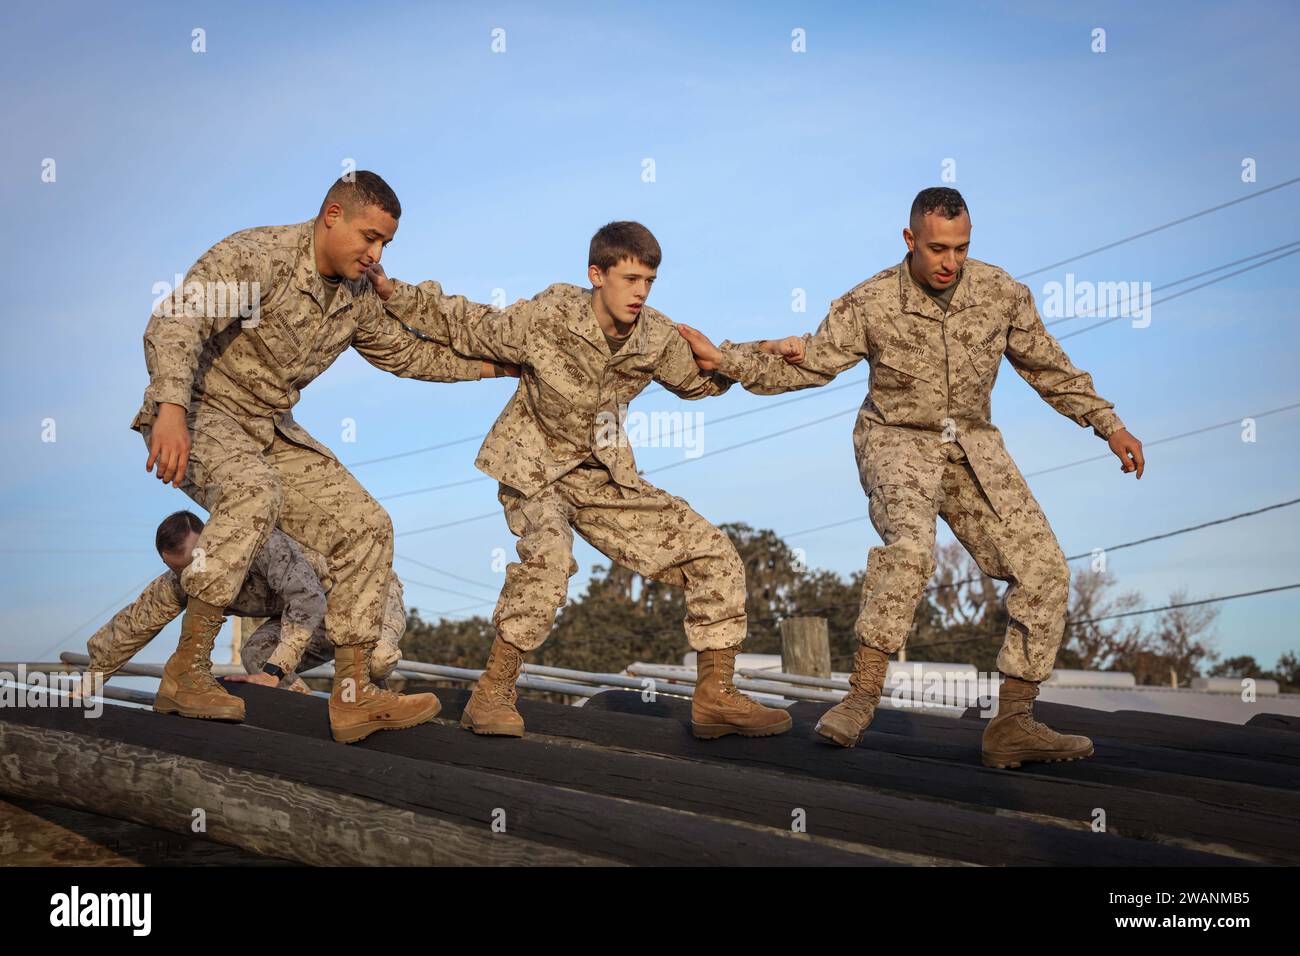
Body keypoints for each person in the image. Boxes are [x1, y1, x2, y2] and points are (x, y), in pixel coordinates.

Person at [678, 187, 1146, 769]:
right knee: (910, 548)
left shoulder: (1000, 293)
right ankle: (860, 697)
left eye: (961, 248)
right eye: (937, 249)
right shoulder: (872, 300)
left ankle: (1014, 723)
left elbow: (1050, 369)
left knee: (1044, 568)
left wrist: (1110, 426)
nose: (950, 262)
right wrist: (728, 359)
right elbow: (813, 362)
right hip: (896, 439)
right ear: (910, 241)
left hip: (972, 446)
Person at [134, 171, 513, 742]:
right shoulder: (259, 255)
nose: (375, 253)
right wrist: (168, 406)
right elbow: (176, 319)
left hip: (267, 429)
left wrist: (493, 368)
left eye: (386, 243)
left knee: (367, 526)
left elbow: (405, 354)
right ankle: (187, 672)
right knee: (251, 491)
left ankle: (355, 696)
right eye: (368, 236)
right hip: (200, 410)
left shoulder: (357, 296)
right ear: (331, 215)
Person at [381, 221, 795, 740]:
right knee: (550, 562)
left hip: (602, 475)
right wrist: (395, 293)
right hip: (534, 468)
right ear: (596, 275)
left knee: (713, 553)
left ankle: (714, 697)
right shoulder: (552, 313)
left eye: (649, 280)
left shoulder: (655, 335)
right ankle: (491, 694)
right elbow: (470, 324)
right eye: (630, 278)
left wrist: (761, 353)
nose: (640, 292)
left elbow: (700, 380)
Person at [84, 511, 407, 698]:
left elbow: (307, 600)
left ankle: (382, 700)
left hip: (364, 592)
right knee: (256, 654)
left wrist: (274, 672)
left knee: (376, 662)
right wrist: (93, 677)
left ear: (213, 539)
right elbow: (139, 620)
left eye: (196, 563)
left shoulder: (261, 542)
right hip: (312, 616)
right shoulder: (185, 577)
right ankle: (309, 717)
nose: (193, 576)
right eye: (182, 571)